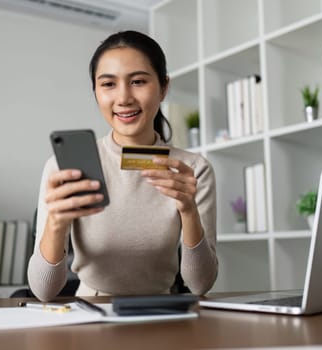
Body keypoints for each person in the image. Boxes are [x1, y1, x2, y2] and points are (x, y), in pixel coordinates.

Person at [27, 30, 218, 302]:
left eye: (138, 81)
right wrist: (56, 225)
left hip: (162, 313)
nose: (124, 97)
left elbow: (200, 285)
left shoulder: (192, 169)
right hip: (91, 310)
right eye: (108, 84)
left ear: (163, 87)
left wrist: (189, 210)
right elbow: (43, 291)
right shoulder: (63, 167)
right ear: (95, 91)